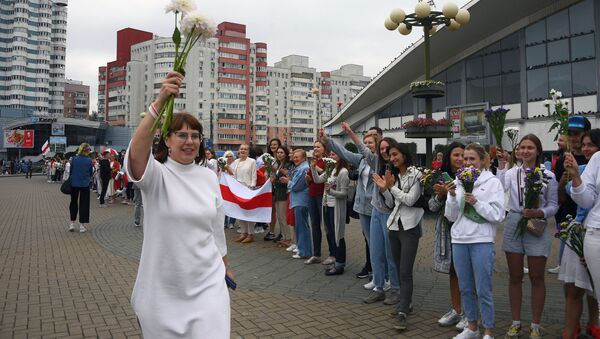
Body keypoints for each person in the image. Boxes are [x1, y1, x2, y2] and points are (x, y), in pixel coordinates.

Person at [125, 71, 232, 338]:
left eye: (195, 136)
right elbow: (137, 152)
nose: (190, 141)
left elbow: (216, 229)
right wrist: (161, 99)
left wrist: (225, 264)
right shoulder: (157, 176)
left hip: (209, 286)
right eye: (182, 135)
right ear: (167, 141)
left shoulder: (209, 176)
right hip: (163, 290)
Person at [497, 134, 559, 339]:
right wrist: (501, 165)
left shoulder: (548, 175)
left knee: (537, 277)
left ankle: (535, 325)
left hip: (536, 224)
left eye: (530, 148)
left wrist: (539, 213)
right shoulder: (511, 173)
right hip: (514, 221)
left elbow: (553, 205)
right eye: (522, 147)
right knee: (514, 277)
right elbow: (499, 191)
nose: (525, 151)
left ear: (538, 151)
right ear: (518, 151)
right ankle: (515, 323)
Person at [444, 143, 505, 339]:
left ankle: (488, 330)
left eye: (472, 159)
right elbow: (451, 216)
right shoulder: (458, 181)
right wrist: (453, 196)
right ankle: (472, 327)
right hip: (460, 239)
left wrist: (477, 203)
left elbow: (498, 215)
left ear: (482, 160)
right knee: (465, 287)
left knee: (483, 288)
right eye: (465, 158)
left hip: (481, 239)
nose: (467, 162)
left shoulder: (493, 182)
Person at [337, 123, 400, 304]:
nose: (385, 151)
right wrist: (349, 132)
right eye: (381, 149)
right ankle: (379, 287)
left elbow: (394, 201)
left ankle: (395, 288)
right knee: (375, 251)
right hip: (375, 212)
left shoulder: (395, 167)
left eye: (388, 149)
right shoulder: (375, 161)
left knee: (390, 253)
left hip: (389, 214)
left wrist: (385, 188)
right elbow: (362, 149)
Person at [373, 141, 424, 331]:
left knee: (405, 271)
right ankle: (406, 303)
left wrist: (391, 187)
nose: (392, 158)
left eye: (395, 154)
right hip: (394, 226)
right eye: (390, 155)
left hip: (410, 228)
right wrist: (384, 189)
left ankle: (403, 311)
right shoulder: (393, 176)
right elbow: (392, 203)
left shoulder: (416, 174)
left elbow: (410, 200)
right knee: (397, 268)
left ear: (404, 155)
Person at [559, 129, 600, 339]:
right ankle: (570, 331)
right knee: (575, 288)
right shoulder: (589, 165)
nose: (585, 149)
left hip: (588, 233)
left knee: (592, 292)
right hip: (584, 233)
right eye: (583, 145)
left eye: (590, 145)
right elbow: (579, 199)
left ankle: (594, 325)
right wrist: (574, 174)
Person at [321, 128, 375, 281]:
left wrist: (351, 132)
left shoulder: (377, 160)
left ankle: (378, 274)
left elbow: (362, 151)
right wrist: (327, 140)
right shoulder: (361, 160)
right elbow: (343, 152)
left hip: (375, 206)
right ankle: (373, 271)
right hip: (362, 206)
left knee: (376, 242)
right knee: (369, 241)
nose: (367, 145)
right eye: (365, 142)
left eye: (370, 143)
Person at [428, 142, 467, 329]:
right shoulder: (440, 177)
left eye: (462, 155)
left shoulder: (472, 178)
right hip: (447, 230)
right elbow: (432, 207)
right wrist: (441, 195)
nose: (459, 159)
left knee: (467, 272)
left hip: (467, 230)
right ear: (448, 157)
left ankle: (470, 312)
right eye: (455, 155)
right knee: (453, 271)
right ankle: (456, 310)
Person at [550, 115, 591, 274]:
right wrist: (563, 180)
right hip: (570, 220)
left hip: (591, 222)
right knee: (570, 279)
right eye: (570, 133)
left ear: (586, 133)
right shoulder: (563, 159)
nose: (573, 137)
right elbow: (560, 197)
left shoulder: (593, 157)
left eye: (577, 133)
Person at [311, 150, 349, 275]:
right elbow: (317, 180)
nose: (331, 157)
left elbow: (344, 194)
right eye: (330, 155)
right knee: (330, 232)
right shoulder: (330, 169)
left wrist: (331, 192)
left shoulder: (343, 172)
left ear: (340, 156)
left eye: (334, 155)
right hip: (326, 205)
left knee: (338, 234)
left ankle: (339, 264)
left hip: (335, 207)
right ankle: (334, 258)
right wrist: (312, 168)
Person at [282, 149, 311, 259]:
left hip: (301, 201)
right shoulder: (300, 167)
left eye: (297, 157)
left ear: (303, 158)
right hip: (298, 200)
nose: (295, 159)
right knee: (300, 226)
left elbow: (296, 186)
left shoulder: (304, 169)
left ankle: (304, 251)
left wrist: (287, 182)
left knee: (302, 227)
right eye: (294, 157)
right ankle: (302, 249)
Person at [304, 140, 328, 265]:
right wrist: (307, 179)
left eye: (318, 146)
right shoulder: (313, 162)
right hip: (311, 195)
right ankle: (316, 254)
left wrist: (315, 167)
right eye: (314, 147)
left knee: (327, 226)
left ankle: (333, 254)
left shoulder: (327, 161)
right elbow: (310, 180)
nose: (315, 148)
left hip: (322, 196)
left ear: (324, 149)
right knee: (314, 225)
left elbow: (325, 175)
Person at [228, 143, 257, 243]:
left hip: (248, 189)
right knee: (240, 212)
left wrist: (252, 187)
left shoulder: (252, 161)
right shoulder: (236, 162)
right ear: (239, 151)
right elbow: (231, 174)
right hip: (238, 189)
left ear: (248, 152)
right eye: (241, 149)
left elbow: (254, 175)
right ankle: (243, 233)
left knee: (248, 212)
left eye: (245, 149)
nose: (243, 151)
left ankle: (250, 234)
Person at [68, 143, 93, 233]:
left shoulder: (74, 159)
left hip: (74, 183)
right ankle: (82, 225)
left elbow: (71, 171)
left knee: (73, 202)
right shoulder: (89, 160)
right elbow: (90, 173)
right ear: (87, 150)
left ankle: (72, 223)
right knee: (84, 204)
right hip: (85, 184)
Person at [271, 146, 293, 248]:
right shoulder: (279, 164)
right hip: (278, 193)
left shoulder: (288, 165)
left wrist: (284, 176)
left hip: (284, 193)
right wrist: (274, 179)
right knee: (279, 217)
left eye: (282, 152)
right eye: (278, 153)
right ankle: (284, 237)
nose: (279, 154)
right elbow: (278, 179)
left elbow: (289, 178)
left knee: (283, 217)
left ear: (286, 154)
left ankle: (288, 238)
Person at [264, 138, 283, 241]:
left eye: (275, 144)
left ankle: (282, 232)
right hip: (270, 186)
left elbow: (280, 171)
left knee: (279, 210)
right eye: (271, 144)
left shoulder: (281, 158)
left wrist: (270, 168)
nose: (273, 146)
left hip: (279, 186)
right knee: (272, 210)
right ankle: (271, 231)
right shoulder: (268, 157)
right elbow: (267, 171)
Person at [222, 150, 237, 229]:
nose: (229, 158)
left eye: (230, 156)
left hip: (233, 186)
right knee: (224, 204)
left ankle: (231, 222)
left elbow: (234, 174)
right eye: (227, 156)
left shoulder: (236, 164)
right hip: (225, 186)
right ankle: (224, 222)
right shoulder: (222, 163)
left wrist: (227, 167)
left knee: (233, 204)